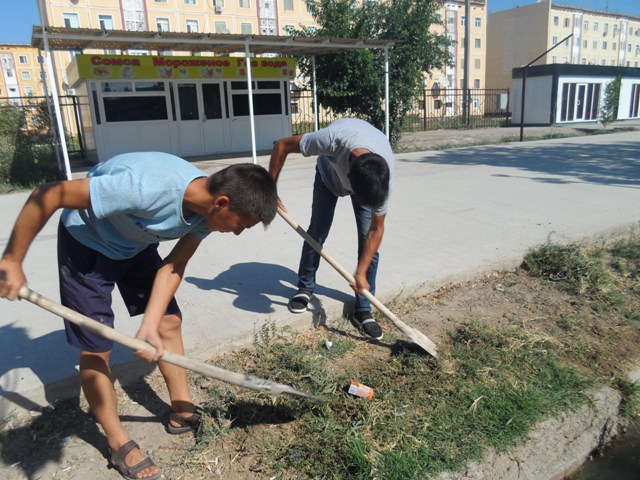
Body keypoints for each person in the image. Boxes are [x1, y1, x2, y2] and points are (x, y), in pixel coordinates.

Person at [0, 152, 278, 480]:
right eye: (240, 226)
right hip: (87, 247)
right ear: (221, 202)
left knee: (168, 321)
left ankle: (181, 409)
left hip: (136, 246)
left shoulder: (205, 213)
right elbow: (47, 194)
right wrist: (13, 260)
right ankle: (119, 444)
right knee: (98, 345)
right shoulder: (142, 188)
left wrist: (149, 324)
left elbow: (173, 265)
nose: (237, 234)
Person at [269, 118, 394, 341]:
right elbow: (281, 145)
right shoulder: (330, 140)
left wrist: (361, 271)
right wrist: (269, 188)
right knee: (316, 231)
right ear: (348, 176)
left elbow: (377, 229)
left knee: (368, 243)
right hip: (328, 178)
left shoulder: (382, 175)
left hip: (363, 180)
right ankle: (305, 287)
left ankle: (364, 308)